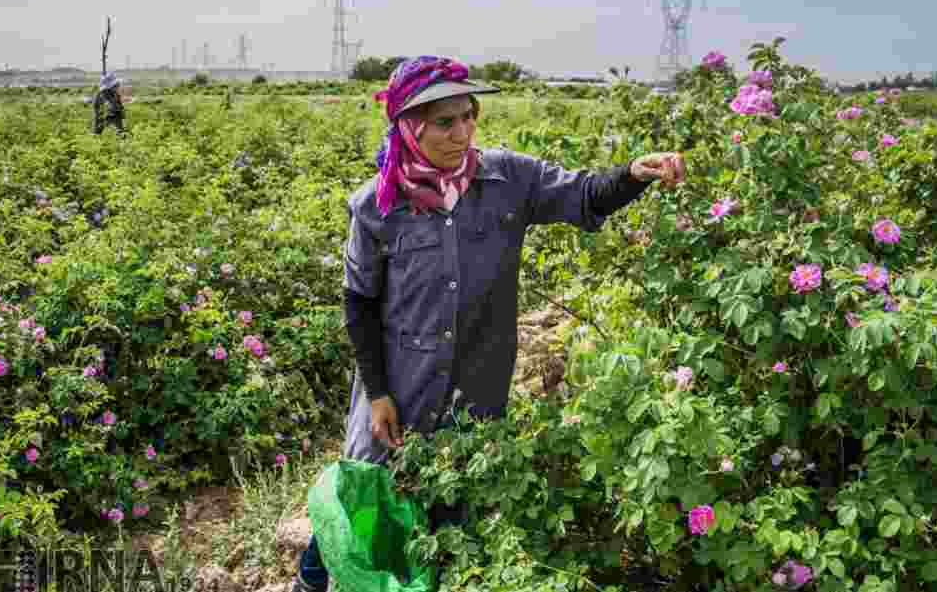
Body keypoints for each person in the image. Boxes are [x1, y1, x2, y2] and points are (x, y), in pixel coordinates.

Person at [293, 55, 685, 592]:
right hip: (398, 390)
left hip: (473, 389)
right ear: (410, 127)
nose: (462, 133)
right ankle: (309, 586)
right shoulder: (377, 206)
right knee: (363, 502)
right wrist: (378, 393)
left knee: (451, 514)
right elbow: (359, 303)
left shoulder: (507, 180)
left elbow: (582, 194)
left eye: (468, 116)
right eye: (444, 123)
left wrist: (634, 174)